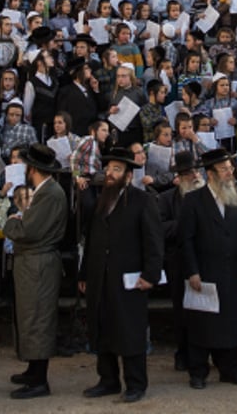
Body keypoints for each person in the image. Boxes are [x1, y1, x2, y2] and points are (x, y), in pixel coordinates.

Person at [77, 147, 164, 403]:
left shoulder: (142, 200)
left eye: (117, 169)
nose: (110, 174)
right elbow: (91, 240)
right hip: (99, 277)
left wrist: (151, 274)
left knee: (129, 331)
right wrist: (84, 273)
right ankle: (108, 380)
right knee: (103, 327)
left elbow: (154, 241)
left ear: (128, 175)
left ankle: (136, 383)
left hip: (130, 278)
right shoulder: (101, 199)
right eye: (109, 169)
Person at [178, 147, 237, 389]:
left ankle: (230, 369)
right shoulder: (193, 200)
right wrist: (192, 271)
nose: (230, 173)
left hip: (231, 271)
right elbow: (186, 240)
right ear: (210, 173)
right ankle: (198, 371)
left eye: (230, 169)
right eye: (224, 170)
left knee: (230, 322)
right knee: (203, 322)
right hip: (204, 271)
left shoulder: (235, 198)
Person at [4, 143, 69, 399]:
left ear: (32, 168)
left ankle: (40, 380)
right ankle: (33, 368)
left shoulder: (50, 193)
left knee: (38, 318)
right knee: (30, 316)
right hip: (32, 263)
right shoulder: (44, 191)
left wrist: (11, 222)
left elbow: (28, 231)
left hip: (38, 263)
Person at [156, 150, 201, 371]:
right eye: (187, 173)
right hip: (177, 261)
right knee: (181, 310)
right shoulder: (166, 199)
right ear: (179, 177)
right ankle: (183, 352)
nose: (193, 176)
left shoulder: (205, 198)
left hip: (202, 261)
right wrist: (186, 224)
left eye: (194, 171)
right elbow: (161, 228)